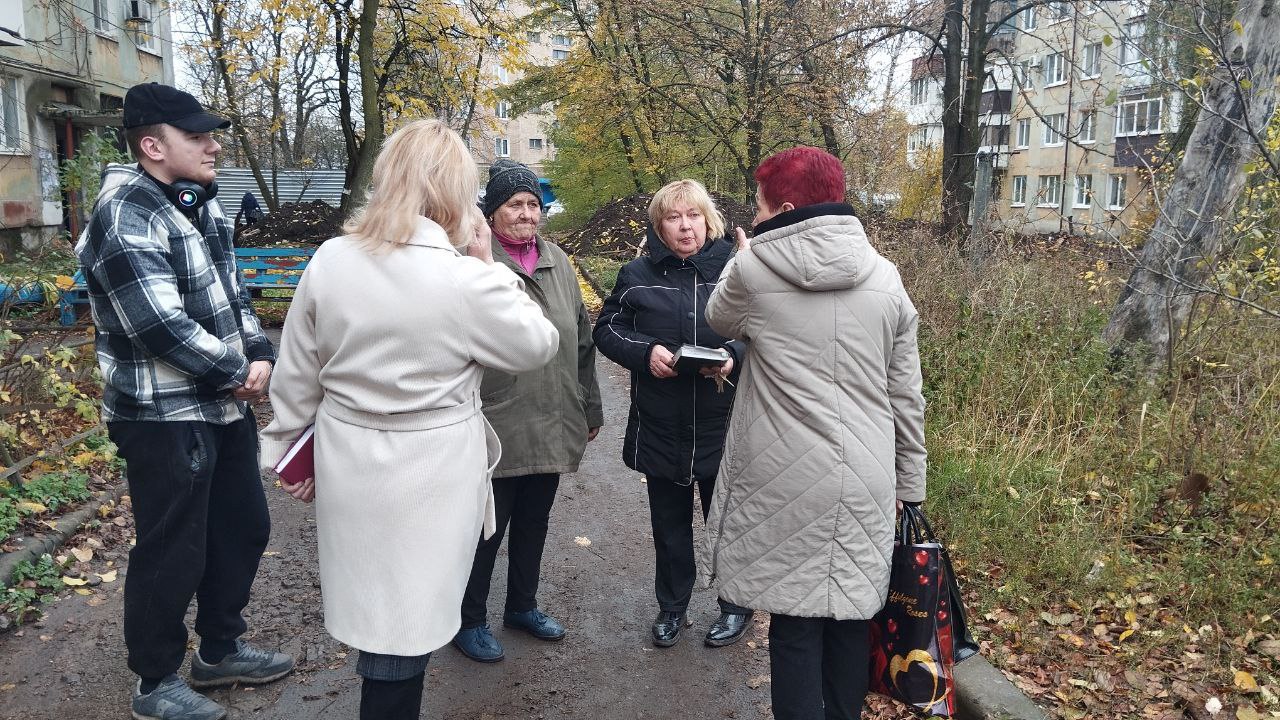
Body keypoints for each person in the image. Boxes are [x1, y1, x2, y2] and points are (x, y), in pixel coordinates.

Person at [259, 120, 560, 719]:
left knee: (381, 616)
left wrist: (286, 448)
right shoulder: (462, 277)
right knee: (408, 624)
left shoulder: (331, 260)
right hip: (432, 469)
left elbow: (296, 368)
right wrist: (486, 263)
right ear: (455, 193)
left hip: (351, 459)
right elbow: (537, 344)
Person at [75, 82, 294, 720]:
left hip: (221, 408)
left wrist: (261, 355)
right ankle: (156, 681)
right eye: (196, 136)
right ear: (151, 145)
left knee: (243, 528)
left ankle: (220, 651)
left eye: (211, 134)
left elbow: (235, 298)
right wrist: (238, 370)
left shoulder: (199, 205)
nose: (213, 145)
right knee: (173, 548)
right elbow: (157, 325)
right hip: (162, 416)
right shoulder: (127, 213)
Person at [701, 147, 928, 720]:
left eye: (758, 204)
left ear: (783, 206)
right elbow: (906, 394)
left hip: (784, 478)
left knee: (796, 626)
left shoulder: (753, 270)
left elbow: (718, 321)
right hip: (867, 478)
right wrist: (912, 482)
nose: (752, 214)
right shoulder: (886, 275)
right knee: (852, 618)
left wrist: (744, 256)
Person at [452, 159, 604, 663]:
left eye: (533, 205)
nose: (526, 214)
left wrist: (590, 406)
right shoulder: (472, 261)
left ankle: (522, 605)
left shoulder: (558, 261)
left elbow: (582, 340)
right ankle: (467, 619)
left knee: (535, 521)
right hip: (496, 417)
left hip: (554, 413)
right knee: (486, 528)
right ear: (492, 212)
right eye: (514, 205)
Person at [592, 179, 754, 648]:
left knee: (725, 521)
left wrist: (732, 356)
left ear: (709, 219)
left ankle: (734, 605)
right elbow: (608, 330)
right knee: (669, 524)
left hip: (723, 422)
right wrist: (647, 353)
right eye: (674, 217)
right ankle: (672, 608)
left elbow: (761, 327)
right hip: (661, 423)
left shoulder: (734, 269)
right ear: (659, 226)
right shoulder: (636, 274)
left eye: (694, 216)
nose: (686, 226)